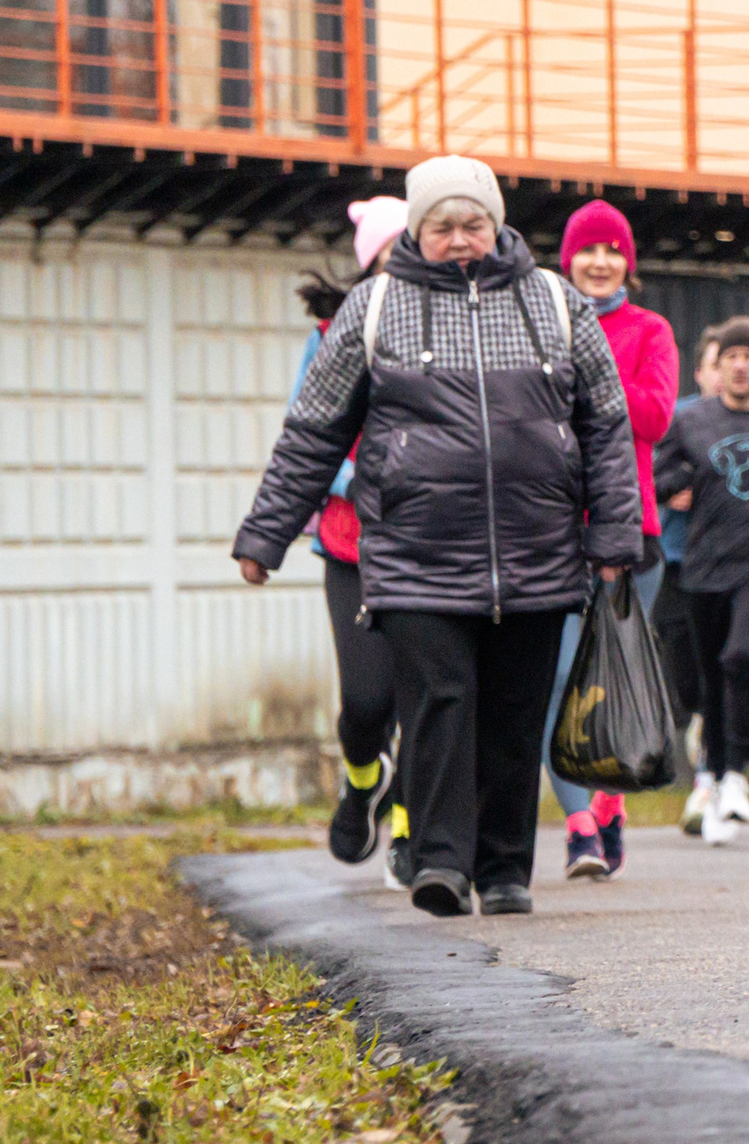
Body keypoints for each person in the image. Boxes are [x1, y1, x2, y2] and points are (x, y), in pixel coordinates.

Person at [234, 155, 642, 919]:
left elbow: (607, 426)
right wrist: (267, 532)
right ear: (418, 231)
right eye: (443, 226)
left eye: (474, 223)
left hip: (535, 547)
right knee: (439, 702)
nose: (461, 239)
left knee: (515, 713)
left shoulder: (556, 303)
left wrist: (614, 535)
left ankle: (503, 870)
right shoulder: (376, 307)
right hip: (416, 550)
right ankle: (442, 862)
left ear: (497, 223)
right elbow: (315, 427)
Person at [539, 200, 679, 879]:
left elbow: (652, 417)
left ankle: (609, 800)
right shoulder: (543, 325)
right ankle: (578, 829)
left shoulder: (651, 329)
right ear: (567, 260)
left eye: (612, 250)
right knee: (558, 680)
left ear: (629, 261)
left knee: (615, 674)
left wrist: (584, 384)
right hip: (553, 528)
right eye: (588, 250)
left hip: (632, 531)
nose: (600, 261)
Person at [654, 316, 749, 845]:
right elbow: (659, 474)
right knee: (711, 678)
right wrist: (673, 488)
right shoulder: (693, 420)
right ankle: (712, 784)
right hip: (704, 564)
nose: (740, 364)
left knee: (740, 657)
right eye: (731, 355)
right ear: (719, 367)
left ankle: (737, 773)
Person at [302, 195, 409, 877]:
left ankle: (409, 826)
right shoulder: (331, 333)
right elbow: (308, 433)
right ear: (369, 266)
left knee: (428, 699)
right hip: (353, 542)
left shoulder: (466, 328)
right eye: (391, 257)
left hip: (436, 543)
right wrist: (365, 481)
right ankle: (361, 779)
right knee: (368, 702)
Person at [664, 331, 723, 833]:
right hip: (675, 561)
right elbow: (651, 471)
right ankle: (701, 723)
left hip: (731, 567)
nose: (724, 373)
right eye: (714, 364)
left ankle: (709, 779)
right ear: (700, 373)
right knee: (685, 679)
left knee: (721, 672)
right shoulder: (679, 417)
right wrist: (670, 493)